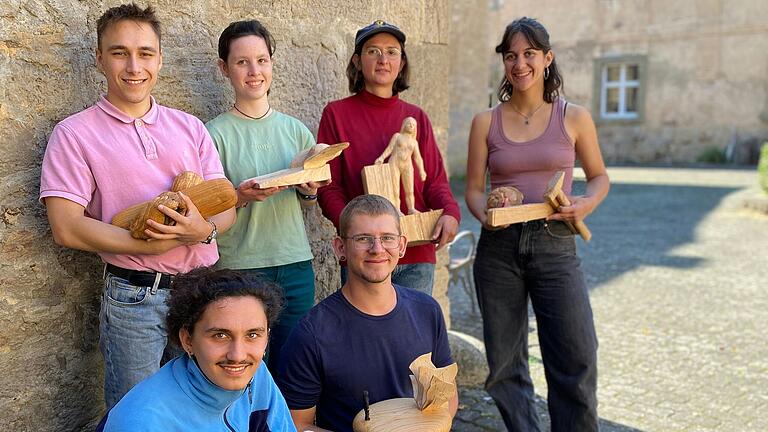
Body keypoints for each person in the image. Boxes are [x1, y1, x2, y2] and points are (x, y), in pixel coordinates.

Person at [38, 3, 236, 408]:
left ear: (159, 59)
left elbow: (224, 207)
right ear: (99, 58)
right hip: (135, 299)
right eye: (119, 52)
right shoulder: (74, 134)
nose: (134, 66)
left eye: (145, 53)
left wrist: (204, 232)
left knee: (207, 406)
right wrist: (150, 247)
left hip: (201, 291)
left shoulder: (190, 127)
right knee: (138, 411)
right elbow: (67, 226)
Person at [465, 17, 610, 431]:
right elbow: (474, 189)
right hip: (499, 250)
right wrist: (486, 214)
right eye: (511, 55)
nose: (519, 63)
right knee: (505, 366)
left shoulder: (574, 117)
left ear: (547, 58)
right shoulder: (485, 122)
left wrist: (585, 203)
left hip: (556, 245)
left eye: (529, 53)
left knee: (577, 357)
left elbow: (599, 176)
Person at [275, 194, 458, 432]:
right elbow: (296, 425)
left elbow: (448, 393)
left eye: (387, 238)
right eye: (363, 238)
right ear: (340, 247)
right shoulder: (312, 333)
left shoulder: (427, 311)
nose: (377, 249)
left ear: (401, 246)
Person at [206, 19, 326, 371]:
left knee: (294, 364)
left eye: (261, 60)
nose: (254, 71)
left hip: (295, 264)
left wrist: (309, 191)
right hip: (241, 266)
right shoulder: (211, 135)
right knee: (246, 368)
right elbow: (208, 213)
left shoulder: (296, 130)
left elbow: (307, 201)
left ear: (272, 64)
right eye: (242, 62)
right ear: (224, 69)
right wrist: (240, 197)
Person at [316, 20, 460, 295]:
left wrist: (451, 213)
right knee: (364, 335)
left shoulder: (416, 118)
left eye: (392, 52)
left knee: (412, 336)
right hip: (364, 254)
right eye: (373, 51)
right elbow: (329, 187)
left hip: (416, 252)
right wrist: (352, 232)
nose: (383, 60)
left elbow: (435, 182)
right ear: (357, 61)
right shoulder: (336, 114)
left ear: (402, 62)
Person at [96, 267, 296, 431]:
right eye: (220, 335)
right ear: (187, 340)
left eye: (252, 335)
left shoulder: (256, 373)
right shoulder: (143, 422)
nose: (238, 355)